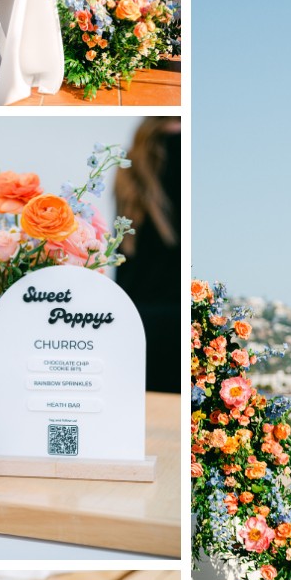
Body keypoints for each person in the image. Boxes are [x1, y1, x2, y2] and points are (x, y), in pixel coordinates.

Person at [114, 116, 181, 393]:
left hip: (134, 319)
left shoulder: (131, 165)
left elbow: (125, 252)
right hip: (175, 318)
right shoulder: (183, 148)